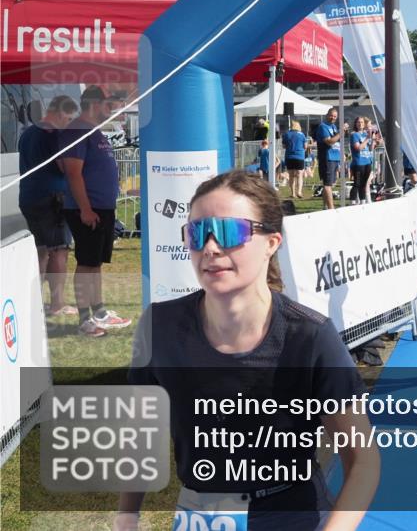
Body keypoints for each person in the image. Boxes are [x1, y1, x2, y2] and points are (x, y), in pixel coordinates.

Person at [116, 170, 379, 531]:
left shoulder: (310, 337)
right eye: (196, 233)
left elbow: (362, 461)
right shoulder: (159, 326)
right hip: (199, 516)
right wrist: (126, 516)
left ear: (272, 242)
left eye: (228, 232)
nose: (210, 247)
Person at [59, 86, 131, 337]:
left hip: (102, 207)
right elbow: (72, 172)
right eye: (108, 105)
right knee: (86, 263)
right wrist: (85, 209)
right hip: (88, 209)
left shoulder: (93, 131)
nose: (110, 110)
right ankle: (84, 320)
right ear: (94, 104)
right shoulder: (77, 130)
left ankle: (99, 311)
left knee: (96, 263)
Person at [18, 95, 79, 317]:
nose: (70, 122)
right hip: (52, 199)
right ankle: (57, 304)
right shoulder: (55, 135)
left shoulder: (27, 134)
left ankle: (33, 300)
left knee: (42, 251)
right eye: (69, 117)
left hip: (29, 197)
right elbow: (64, 167)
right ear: (59, 112)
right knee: (59, 250)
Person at [313, 108, 342, 210]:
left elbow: (337, 142)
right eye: (331, 115)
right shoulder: (323, 127)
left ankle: (325, 207)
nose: (333, 118)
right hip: (327, 157)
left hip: (334, 157)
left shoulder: (333, 126)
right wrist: (340, 133)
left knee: (330, 184)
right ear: (327, 115)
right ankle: (331, 208)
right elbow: (329, 141)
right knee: (327, 184)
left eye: (334, 116)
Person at [349, 117, 373, 205]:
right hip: (358, 162)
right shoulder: (354, 135)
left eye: (362, 122)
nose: (360, 124)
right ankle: (352, 201)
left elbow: (370, 148)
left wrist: (372, 139)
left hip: (367, 161)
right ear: (355, 124)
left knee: (364, 183)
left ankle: (363, 201)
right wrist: (367, 138)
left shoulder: (365, 134)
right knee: (357, 183)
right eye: (358, 122)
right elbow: (358, 148)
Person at [282, 121, 307, 199]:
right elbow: (305, 146)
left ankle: (293, 193)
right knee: (300, 175)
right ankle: (299, 192)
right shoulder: (302, 135)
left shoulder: (286, 134)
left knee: (291, 175)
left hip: (289, 156)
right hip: (299, 156)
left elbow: (284, 146)